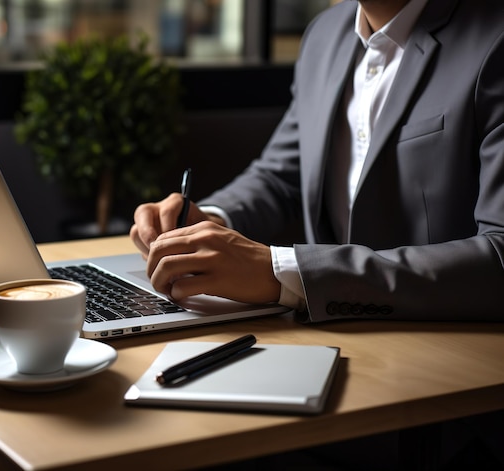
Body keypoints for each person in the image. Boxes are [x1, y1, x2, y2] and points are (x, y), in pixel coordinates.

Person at [130, 0, 504, 323]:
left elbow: (499, 254)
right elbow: (282, 176)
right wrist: (208, 219)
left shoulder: (493, 40)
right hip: (327, 333)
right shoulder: (325, 34)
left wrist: (283, 272)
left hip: (446, 348)